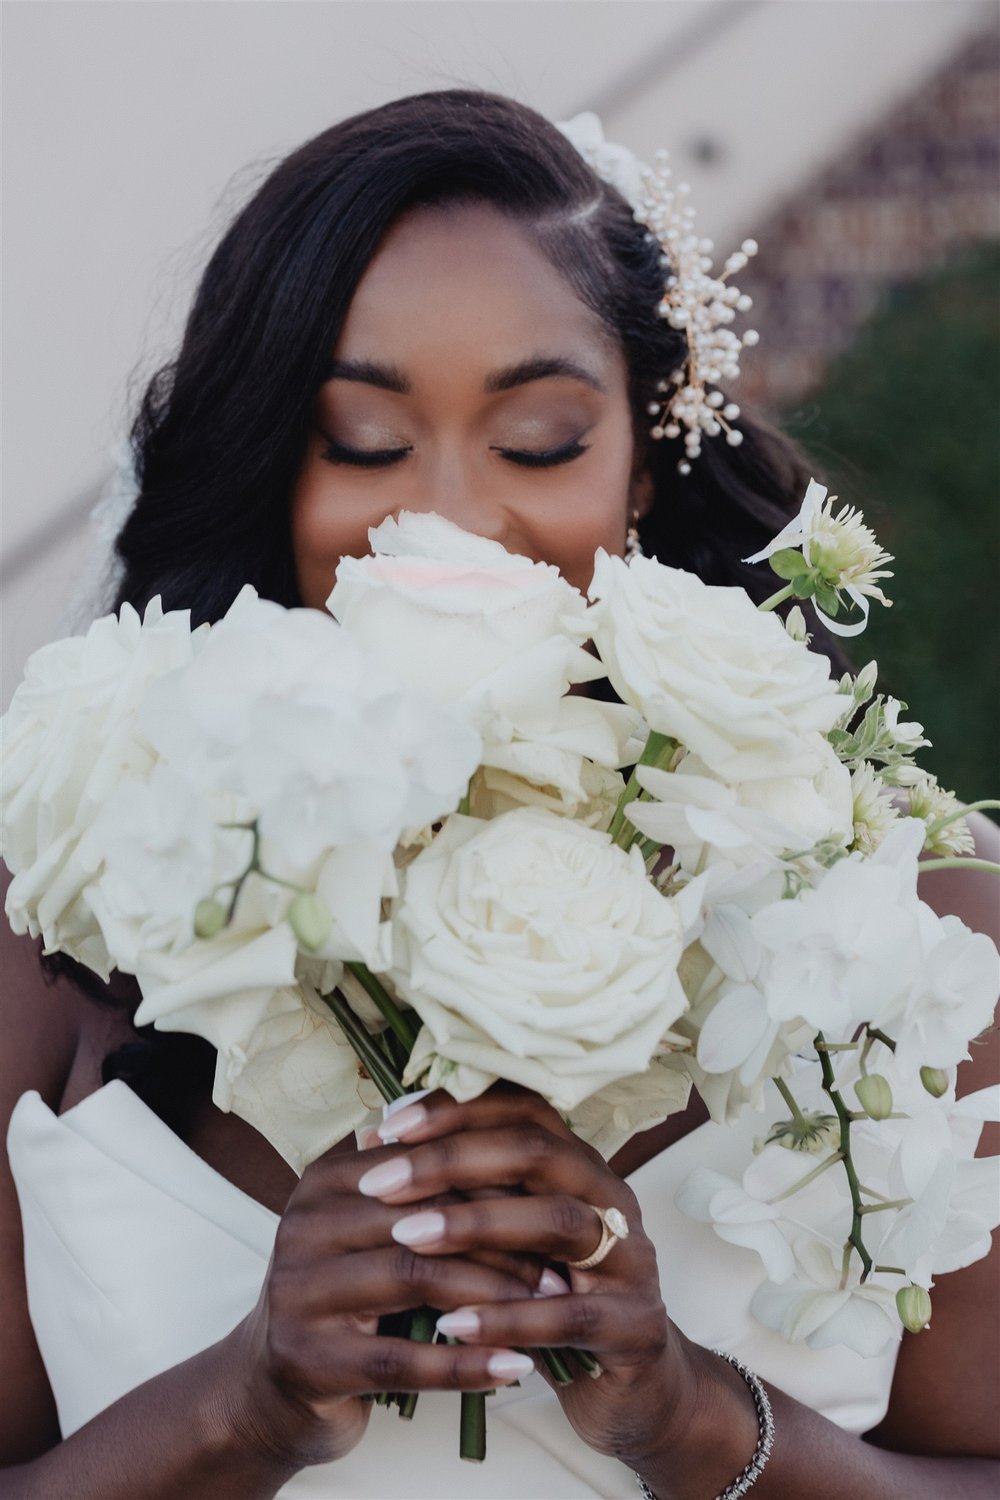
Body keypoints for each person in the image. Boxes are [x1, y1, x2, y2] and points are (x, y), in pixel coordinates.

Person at [1, 89, 997, 1500]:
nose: (451, 516)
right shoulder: (51, 920)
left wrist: (700, 1423)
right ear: (265, 467)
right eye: (361, 439)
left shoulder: (914, 918)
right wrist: (238, 1411)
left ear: (644, 465)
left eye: (536, 440)